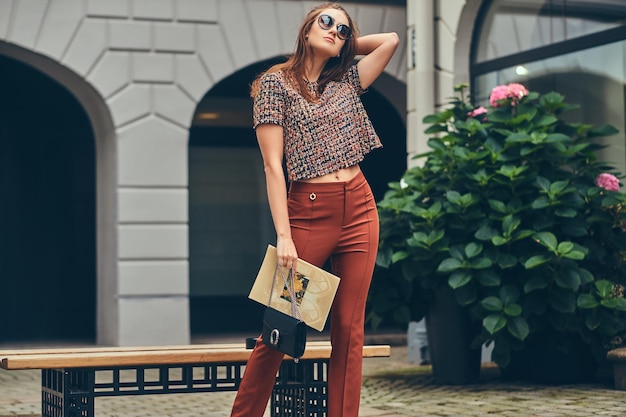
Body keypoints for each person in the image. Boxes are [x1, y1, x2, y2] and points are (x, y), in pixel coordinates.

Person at [231, 3, 399, 417]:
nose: (335, 31)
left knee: (349, 329)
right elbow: (272, 166)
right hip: (307, 212)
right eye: (326, 22)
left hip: (360, 207)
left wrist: (343, 48)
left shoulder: (345, 80)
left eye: (343, 30)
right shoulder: (275, 84)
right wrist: (284, 235)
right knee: (280, 327)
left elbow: (391, 40)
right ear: (306, 28)